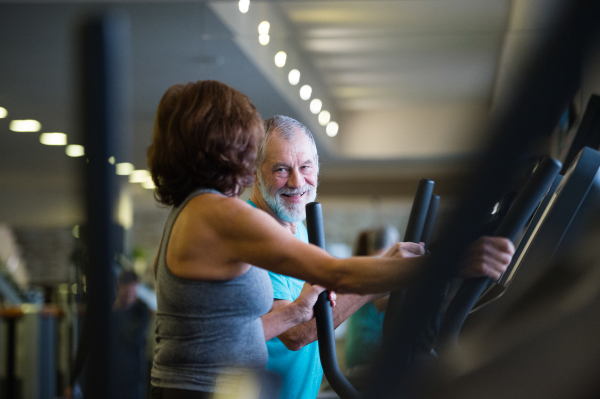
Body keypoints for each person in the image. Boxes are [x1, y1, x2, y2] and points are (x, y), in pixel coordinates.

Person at [147, 81, 514, 399]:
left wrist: (295, 310)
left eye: (305, 167)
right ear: (228, 145)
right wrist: (448, 262)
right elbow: (333, 274)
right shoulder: (218, 213)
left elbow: (225, 329)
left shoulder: (193, 210)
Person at [248, 115, 514, 399]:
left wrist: (388, 262)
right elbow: (295, 333)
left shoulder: (298, 229)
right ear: (255, 171)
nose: (297, 181)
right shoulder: (255, 233)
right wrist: (398, 272)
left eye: (305, 167)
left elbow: (329, 290)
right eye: (281, 169)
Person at [345, 227, 399, 390]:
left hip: (360, 352)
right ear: (394, 244)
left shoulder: (366, 262)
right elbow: (382, 303)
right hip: (369, 356)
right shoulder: (379, 264)